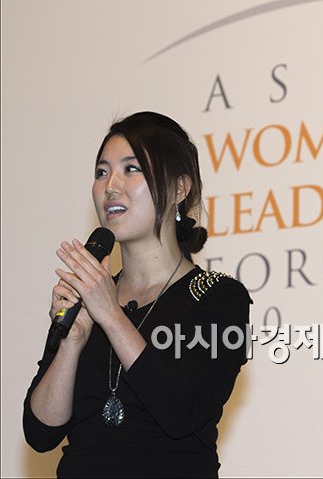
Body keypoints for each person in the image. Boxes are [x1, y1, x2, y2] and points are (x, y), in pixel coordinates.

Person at [23, 111, 252, 478]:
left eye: (131, 169)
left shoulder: (218, 297)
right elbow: (40, 433)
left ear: (179, 188)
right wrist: (73, 341)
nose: (111, 186)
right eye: (101, 172)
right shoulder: (89, 297)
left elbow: (184, 412)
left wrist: (111, 316)